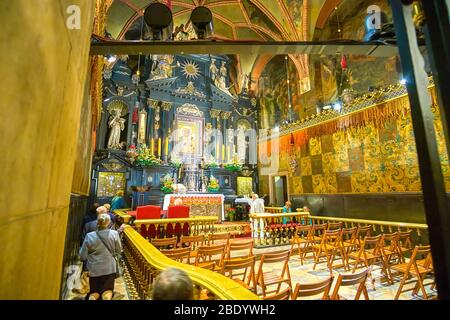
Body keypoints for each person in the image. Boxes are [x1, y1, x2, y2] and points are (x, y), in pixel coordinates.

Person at [79, 214, 122, 300]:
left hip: (94, 269)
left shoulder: (89, 236)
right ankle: (106, 297)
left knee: (94, 291)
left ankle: (92, 298)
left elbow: (82, 255)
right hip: (109, 268)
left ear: (97, 222)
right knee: (108, 290)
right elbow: (119, 250)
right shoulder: (114, 234)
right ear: (108, 222)